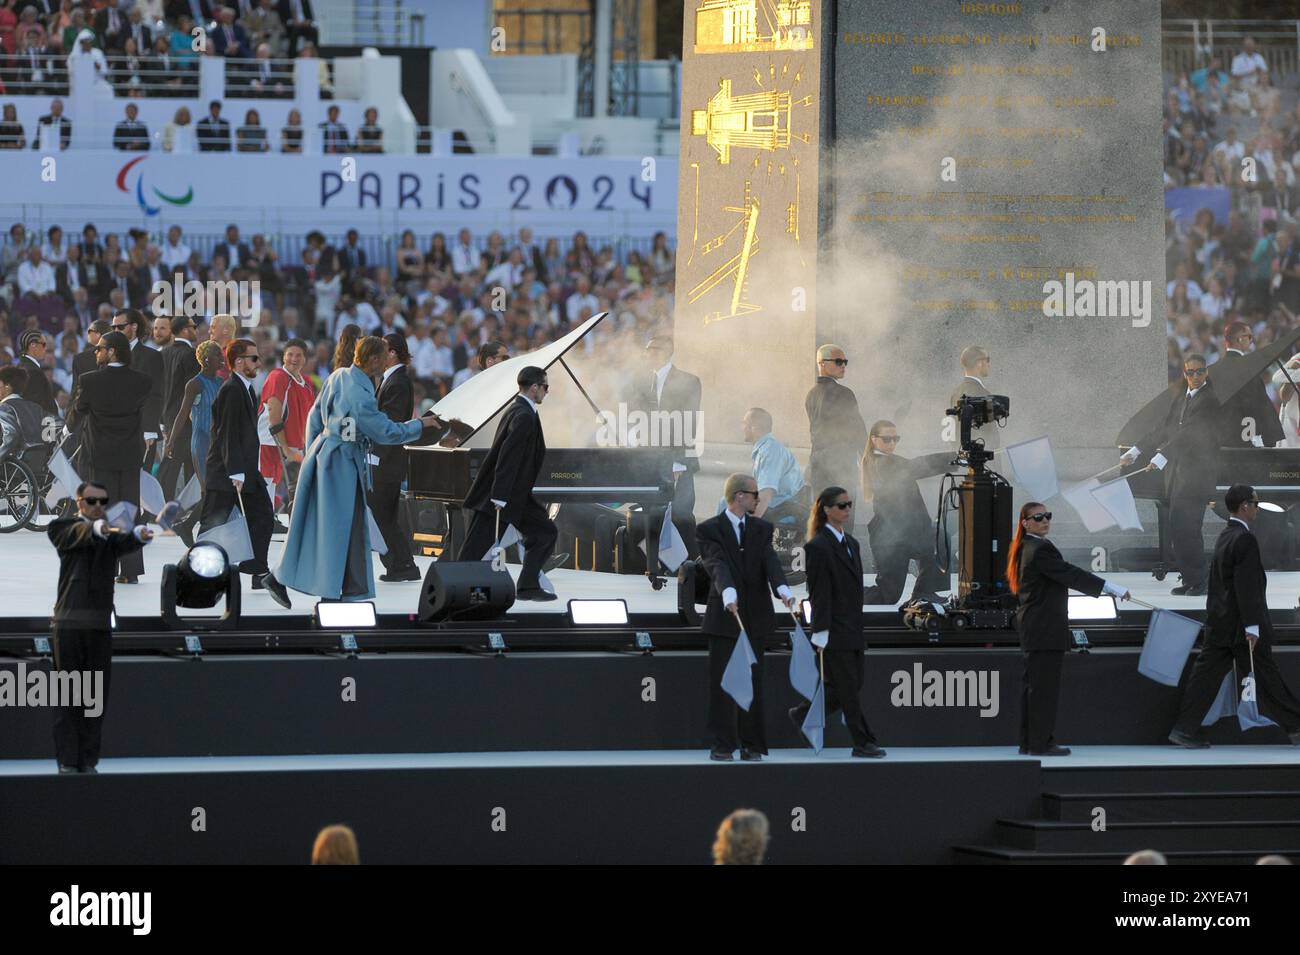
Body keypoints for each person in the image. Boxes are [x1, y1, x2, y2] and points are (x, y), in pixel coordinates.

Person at [268, 336, 442, 604]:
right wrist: (420, 425)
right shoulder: (361, 394)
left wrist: (314, 452)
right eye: (383, 356)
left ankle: (331, 586)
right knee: (337, 528)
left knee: (323, 525)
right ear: (373, 360)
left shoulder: (339, 376)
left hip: (325, 455)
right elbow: (385, 431)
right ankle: (325, 589)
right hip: (341, 464)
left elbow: (315, 417)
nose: (387, 361)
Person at [1169, 485, 1300, 748]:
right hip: (1241, 626)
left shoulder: (1226, 536)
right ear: (1244, 506)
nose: (1257, 508)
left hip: (1221, 622)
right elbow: (1247, 586)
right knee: (1266, 677)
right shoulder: (1245, 540)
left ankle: (1183, 729)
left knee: (1204, 680)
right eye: (1255, 503)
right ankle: (1296, 727)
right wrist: (1253, 626)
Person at [1007, 502, 1130, 756]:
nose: (1045, 521)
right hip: (1044, 629)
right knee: (1043, 691)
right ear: (1025, 522)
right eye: (1038, 517)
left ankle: (1030, 743)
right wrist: (1109, 587)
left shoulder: (1026, 547)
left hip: (1036, 628)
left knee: (1035, 689)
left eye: (1048, 516)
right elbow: (1070, 573)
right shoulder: (1039, 549)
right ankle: (1040, 744)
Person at [48, 480, 152, 773]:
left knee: (94, 699)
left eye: (102, 502)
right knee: (69, 696)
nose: (97, 507)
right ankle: (68, 760)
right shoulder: (62, 527)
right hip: (68, 625)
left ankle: (89, 760)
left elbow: (128, 540)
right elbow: (75, 535)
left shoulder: (111, 535)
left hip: (99, 626)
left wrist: (143, 534)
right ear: (79, 501)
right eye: (91, 501)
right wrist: (98, 529)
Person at [697, 473, 796, 761]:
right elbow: (716, 562)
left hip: (754, 616)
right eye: (754, 494)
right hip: (725, 617)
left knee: (753, 681)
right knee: (724, 681)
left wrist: (783, 590)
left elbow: (770, 561)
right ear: (739, 496)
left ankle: (751, 743)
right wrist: (727, 592)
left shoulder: (761, 528)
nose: (758, 498)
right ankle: (722, 744)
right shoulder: (709, 529)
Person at [793, 486, 885, 758]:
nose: (847, 509)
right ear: (826, 509)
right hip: (833, 629)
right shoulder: (818, 546)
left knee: (850, 685)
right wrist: (819, 632)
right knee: (847, 689)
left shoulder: (852, 544)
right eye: (841, 505)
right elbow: (819, 593)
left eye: (849, 504)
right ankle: (863, 741)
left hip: (854, 626)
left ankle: (802, 714)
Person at [1120, 354, 1224, 595]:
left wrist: (1161, 457)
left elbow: (1189, 434)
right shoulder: (1182, 398)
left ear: (1206, 372)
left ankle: (1200, 581)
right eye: (1191, 372)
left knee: (1188, 527)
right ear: (1185, 374)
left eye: (1200, 372)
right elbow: (1164, 429)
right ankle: (1190, 578)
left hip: (1196, 476)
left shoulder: (1209, 400)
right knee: (1179, 527)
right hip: (1179, 475)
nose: (1196, 376)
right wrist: (1135, 451)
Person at [456, 366, 559, 601]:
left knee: (545, 532)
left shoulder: (521, 409)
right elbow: (508, 456)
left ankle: (528, 585)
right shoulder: (522, 415)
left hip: (516, 494)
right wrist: (499, 496)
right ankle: (457, 590)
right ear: (534, 388)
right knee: (475, 547)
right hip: (502, 495)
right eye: (545, 387)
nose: (546, 392)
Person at [197, 339, 285, 603]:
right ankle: (197, 574)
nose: (258, 363)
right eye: (253, 358)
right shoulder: (232, 390)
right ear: (238, 362)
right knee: (212, 527)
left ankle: (259, 570)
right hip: (227, 473)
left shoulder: (246, 389)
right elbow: (227, 434)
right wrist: (235, 471)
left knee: (263, 516)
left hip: (245, 470)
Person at [65, 331, 152, 584]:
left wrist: (67, 429)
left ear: (113, 351)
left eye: (100, 348)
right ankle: (131, 570)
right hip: (129, 455)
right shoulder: (142, 381)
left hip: (100, 455)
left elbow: (78, 412)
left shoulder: (89, 380)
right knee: (128, 511)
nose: (96, 352)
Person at [860, 419, 952, 605]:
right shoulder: (881, 463)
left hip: (908, 532)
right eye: (887, 439)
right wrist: (953, 457)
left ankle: (924, 592)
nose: (892, 443)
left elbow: (912, 467)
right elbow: (915, 466)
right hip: (890, 538)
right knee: (887, 595)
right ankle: (840, 594)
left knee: (939, 538)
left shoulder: (888, 460)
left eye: (896, 439)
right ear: (874, 440)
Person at [638, 336, 702, 555]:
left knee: (682, 514)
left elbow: (689, 422)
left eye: (651, 349)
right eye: (646, 350)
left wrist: (675, 462)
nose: (646, 354)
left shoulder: (689, 381)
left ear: (665, 351)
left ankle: (692, 564)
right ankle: (662, 563)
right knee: (652, 513)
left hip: (678, 460)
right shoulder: (642, 383)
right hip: (650, 460)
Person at [369, 332, 420, 581]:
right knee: (384, 517)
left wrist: (375, 457)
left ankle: (401, 565)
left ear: (392, 353)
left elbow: (391, 423)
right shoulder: (391, 380)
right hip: (384, 461)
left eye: (383, 350)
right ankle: (402, 564)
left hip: (385, 462)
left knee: (382, 516)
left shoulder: (398, 382)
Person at [805, 343, 867, 500]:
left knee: (821, 518)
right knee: (842, 518)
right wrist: (868, 461)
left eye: (845, 362)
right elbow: (857, 430)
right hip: (841, 468)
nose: (843, 366)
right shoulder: (844, 394)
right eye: (838, 361)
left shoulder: (811, 394)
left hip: (818, 467)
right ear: (822, 363)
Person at [257, 337, 314, 512]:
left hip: (292, 444)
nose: (294, 359)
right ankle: (261, 523)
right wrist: (285, 448)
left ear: (305, 359)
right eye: (290, 355)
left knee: (276, 483)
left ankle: (270, 520)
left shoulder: (307, 383)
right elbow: (274, 415)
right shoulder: (278, 376)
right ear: (283, 356)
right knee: (265, 483)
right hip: (270, 441)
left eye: (298, 355)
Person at [1212, 321, 1283, 449]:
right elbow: (1261, 406)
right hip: (1243, 445)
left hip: (1217, 445)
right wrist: (1270, 440)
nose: (1252, 341)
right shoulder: (1248, 371)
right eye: (1249, 337)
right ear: (1240, 339)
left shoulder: (1212, 371)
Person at [157, 315, 199, 499]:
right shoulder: (191, 355)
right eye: (193, 326)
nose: (196, 330)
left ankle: (163, 504)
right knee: (182, 465)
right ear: (184, 330)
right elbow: (194, 392)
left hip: (167, 416)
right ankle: (165, 506)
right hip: (186, 419)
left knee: (174, 463)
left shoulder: (162, 353)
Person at [741, 406, 805, 524]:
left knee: (728, 503)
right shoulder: (766, 448)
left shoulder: (770, 451)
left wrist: (750, 526)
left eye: (744, 424)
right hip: (779, 504)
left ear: (754, 427)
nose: (742, 428)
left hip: (784, 507)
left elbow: (766, 493)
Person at [948, 345, 1001, 450]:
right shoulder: (982, 394)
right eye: (987, 360)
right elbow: (990, 436)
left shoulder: (956, 392)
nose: (989, 365)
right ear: (979, 363)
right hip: (982, 460)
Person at [17, 330, 57, 416]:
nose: (45, 349)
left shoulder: (22, 365)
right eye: (43, 345)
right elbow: (34, 406)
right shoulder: (33, 371)